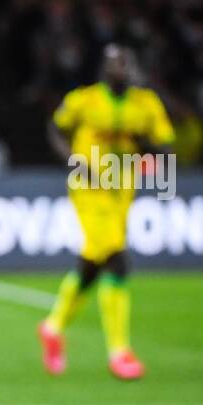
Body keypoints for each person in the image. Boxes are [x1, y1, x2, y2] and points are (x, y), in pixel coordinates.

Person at [38, 44, 174, 380]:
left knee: (91, 266)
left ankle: (53, 327)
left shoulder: (146, 105)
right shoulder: (84, 100)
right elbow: (55, 129)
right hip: (88, 189)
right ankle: (120, 352)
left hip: (122, 190)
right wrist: (73, 160)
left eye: (125, 65)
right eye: (114, 64)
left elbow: (166, 147)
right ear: (104, 69)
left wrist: (141, 141)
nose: (119, 70)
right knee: (117, 259)